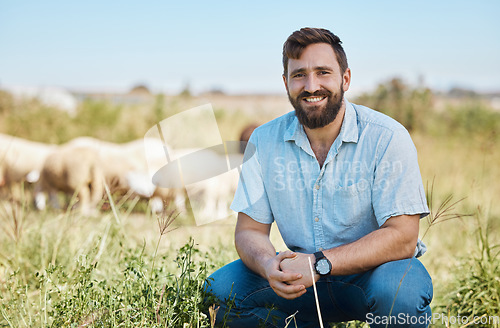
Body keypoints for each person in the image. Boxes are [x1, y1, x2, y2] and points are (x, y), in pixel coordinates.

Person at [205, 27, 433, 328]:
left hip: (374, 274)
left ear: (346, 79)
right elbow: (249, 231)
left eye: (323, 72)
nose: (311, 86)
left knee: (402, 292)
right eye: (299, 75)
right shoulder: (263, 141)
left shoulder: (387, 138)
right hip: (300, 280)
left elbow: (404, 236)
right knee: (219, 292)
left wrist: (320, 263)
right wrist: (268, 264)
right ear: (286, 83)